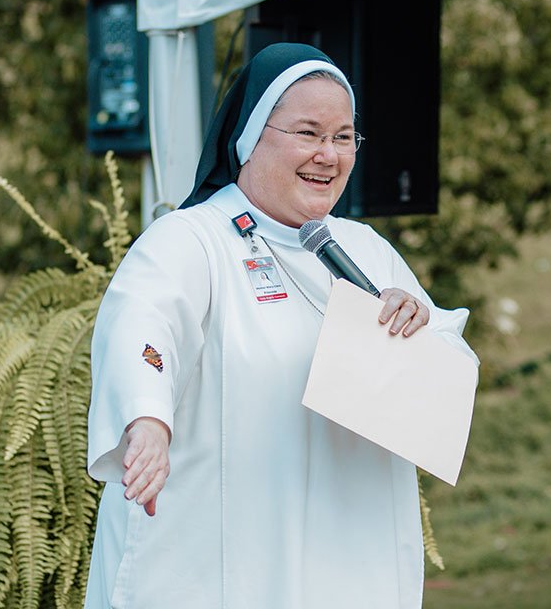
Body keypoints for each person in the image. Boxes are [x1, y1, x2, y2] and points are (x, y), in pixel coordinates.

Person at [85, 42, 478, 608]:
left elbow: (446, 376)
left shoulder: (366, 250)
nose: (329, 155)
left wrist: (421, 334)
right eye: (308, 133)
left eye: (344, 138)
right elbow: (143, 328)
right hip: (220, 563)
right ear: (249, 136)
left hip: (347, 560)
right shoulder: (192, 238)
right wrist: (147, 420)